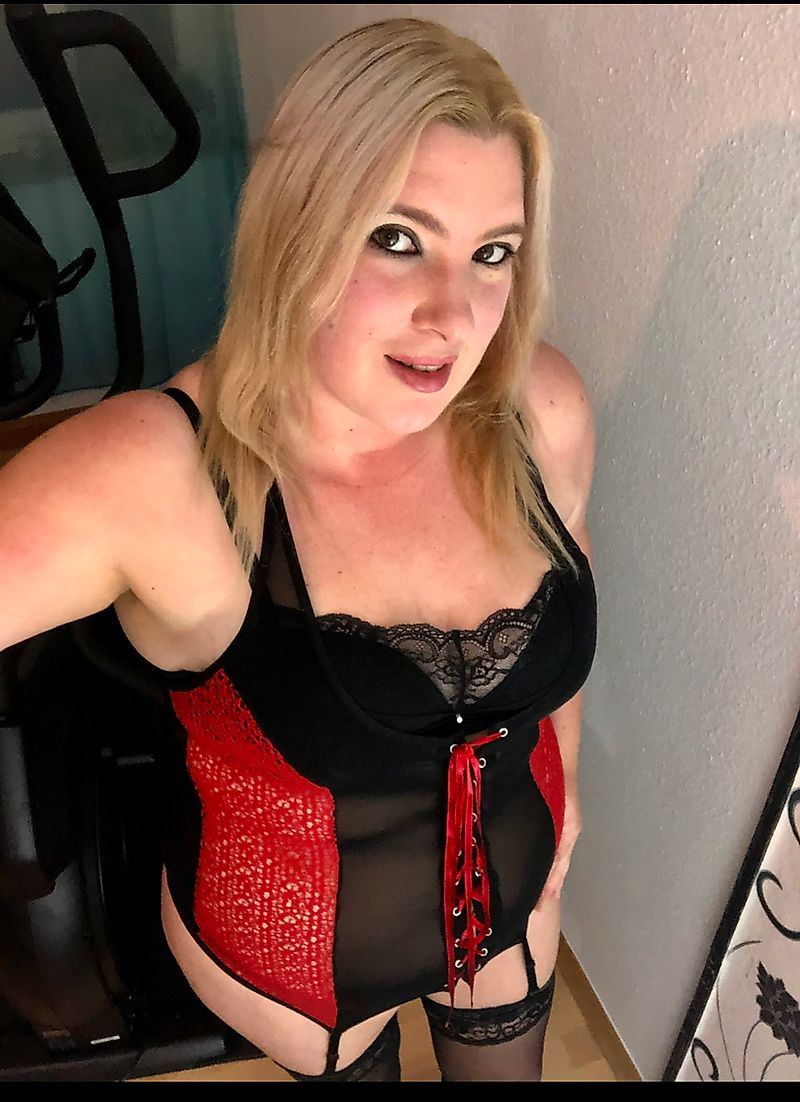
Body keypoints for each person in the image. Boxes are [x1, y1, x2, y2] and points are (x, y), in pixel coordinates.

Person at [0, 16, 597, 1083]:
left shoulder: (535, 408)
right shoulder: (159, 473)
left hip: (513, 900)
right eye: (397, 238)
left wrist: (573, 793)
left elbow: (570, 609)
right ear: (298, 222)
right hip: (296, 964)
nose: (452, 314)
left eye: (492, 253)